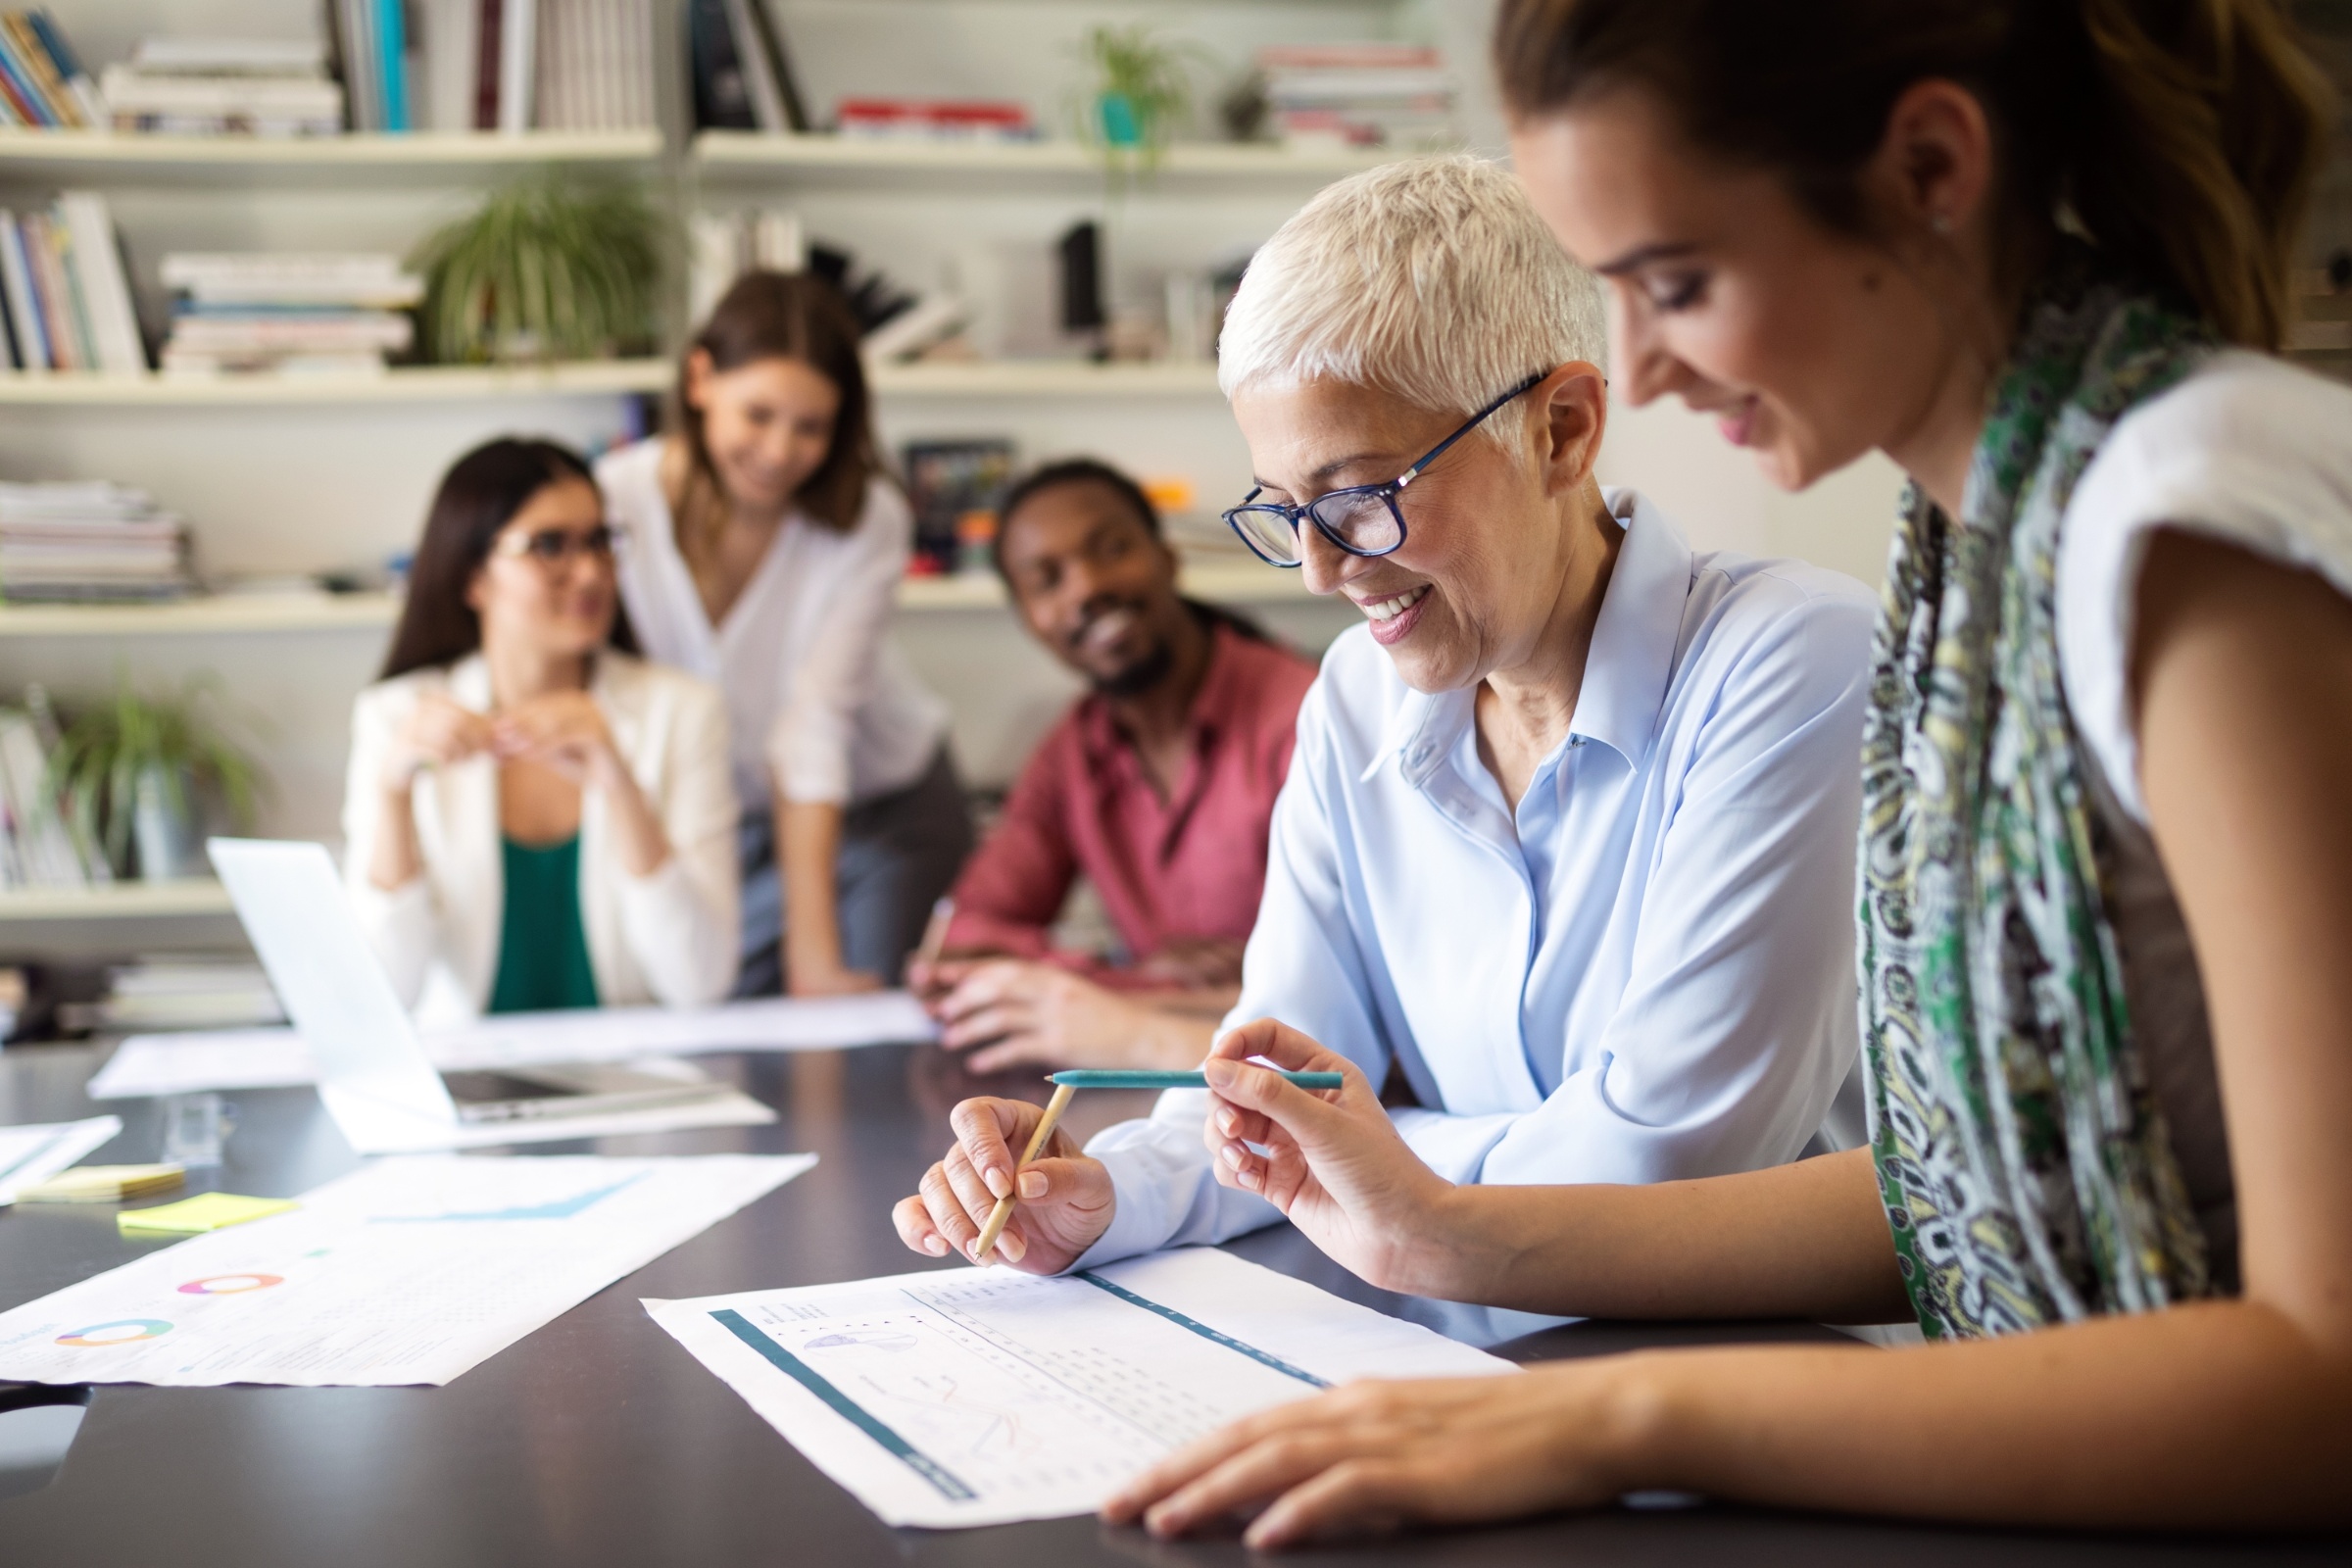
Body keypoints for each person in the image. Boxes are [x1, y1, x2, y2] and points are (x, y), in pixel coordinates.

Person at [1096, 0, 2352, 1546]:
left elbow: (2325, 1381)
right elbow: (1955, 1191)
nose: (1642, 372)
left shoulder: (2186, 522)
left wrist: (1612, 1409)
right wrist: (1412, 1224)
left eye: (1677, 283)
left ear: (1931, 171)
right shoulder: (1984, 549)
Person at [894, 156, 1881, 1274]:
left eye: (1359, 497)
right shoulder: (1357, 698)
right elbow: (1273, 1086)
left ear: (1561, 430)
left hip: (1762, 1349)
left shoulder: (1796, 661)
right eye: (1285, 510)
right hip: (1472, 1335)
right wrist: (1105, 1188)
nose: (1320, 571)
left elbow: (1666, 1164)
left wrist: (1371, 1154)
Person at [599, 270, 972, 997]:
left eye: (811, 427)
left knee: (855, 1028)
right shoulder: (614, 502)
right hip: (732, 823)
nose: (778, 451)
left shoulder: (868, 518)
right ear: (700, 379)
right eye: (758, 414)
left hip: (883, 808)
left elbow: (813, 731)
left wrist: (814, 957)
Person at [909, 459, 1319, 1073]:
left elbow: (1341, 992)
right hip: (1167, 1089)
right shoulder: (1070, 753)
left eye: (1112, 549)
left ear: (1167, 558)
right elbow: (962, 947)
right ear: (1028, 619)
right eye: (1047, 581)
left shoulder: (1306, 717)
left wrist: (1102, 1001)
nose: (1085, 589)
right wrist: (1130, 978)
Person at [343, 438, 738, 1027]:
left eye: (600, 541)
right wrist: (393, 796)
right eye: (549, 546)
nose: (591, 573)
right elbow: (383, 993)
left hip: (632, 1068)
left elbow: (699, 982)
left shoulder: (683, 712)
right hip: (467, 1068)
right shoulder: (396, 717)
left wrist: (620, 785)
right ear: (473, 577)